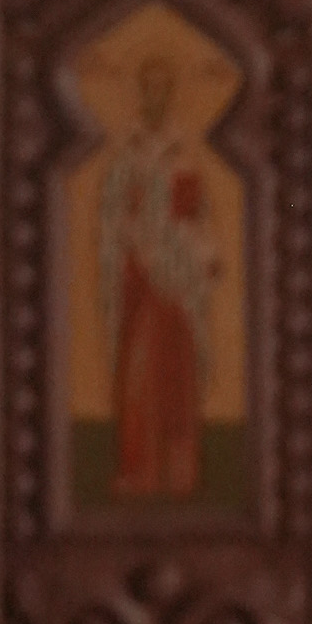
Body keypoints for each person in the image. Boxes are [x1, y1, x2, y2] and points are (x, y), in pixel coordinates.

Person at [99, 52, 214, 501]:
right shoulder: (126, 154)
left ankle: (181, 474)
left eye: (162, 87)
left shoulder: (181, 153)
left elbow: (194, 213)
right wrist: (132, 240)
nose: (155, 95)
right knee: (138, 378)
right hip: (138, 281)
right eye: (148, 86)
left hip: (176, 281)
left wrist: (193, 253)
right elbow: (113, 214)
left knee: (176, 377)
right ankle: (139, 472)